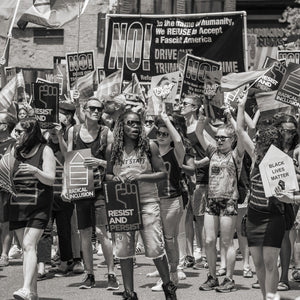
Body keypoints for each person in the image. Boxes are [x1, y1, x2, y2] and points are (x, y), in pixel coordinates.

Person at [106, 109, 177, 300]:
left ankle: (168, 287)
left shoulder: (150, 146)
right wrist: (116, 178)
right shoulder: (113, 149)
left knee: (154, 247)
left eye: (138, 123)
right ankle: (129, 293)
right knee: (123, 250)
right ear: (122, 125)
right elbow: (107, 175)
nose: (135, 127)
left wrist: (140, 176)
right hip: (122, 203)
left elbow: (162, 173)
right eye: (130, 123)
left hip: (147, 201)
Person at [62, 97, 118, 290]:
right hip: (80, 188)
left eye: (99, 109)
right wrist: (65, 187)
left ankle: (111, 274)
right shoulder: (73, 131)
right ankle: (90, 275)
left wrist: (100, 162)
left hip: (100, 188)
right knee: (84, 232)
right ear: (83, 110)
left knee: (103, 232)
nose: (96, 111)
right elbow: (68, 161)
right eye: (92, 108)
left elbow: (115, 162)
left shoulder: (106, 133)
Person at [237, 94, 286, 299]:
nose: (254, 141)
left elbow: (288, 193)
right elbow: (239, 130)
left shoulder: (282, 161)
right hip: (254, 217)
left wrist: (289, 196)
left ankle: (271, 297)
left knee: (269, 263)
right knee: (258, 263)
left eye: (258, 139)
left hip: (273, 216)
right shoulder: (256, 156)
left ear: (268, 143)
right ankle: (266, 296)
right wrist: (240, 107)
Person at [5, 118, 56, 300]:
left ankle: (26, 288)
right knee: (27, 250)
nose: (16, 135)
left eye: (20, 132)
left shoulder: (45, 150)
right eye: (15, 131)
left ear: (30, 133)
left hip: (39, 205)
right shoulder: (15, 150)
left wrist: (35, 171)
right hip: (18, 204)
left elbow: (50, 179)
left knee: (28, 245)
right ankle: (32, 293)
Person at [196, 108, 244, 293]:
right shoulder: (212, 152)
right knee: (209, 240)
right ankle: (212, 277)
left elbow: (240, 132)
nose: (219, 140)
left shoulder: (235, 154)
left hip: (229, 201)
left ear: (232, 140)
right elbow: (199, 132)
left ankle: (229, 279)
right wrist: (202, 115)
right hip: (212, 201)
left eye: (224, 137)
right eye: (218, 137)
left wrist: (231, 118)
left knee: (226, 242)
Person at [150, 112, 185, 291]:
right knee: (160, 239)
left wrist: (166, 120)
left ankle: (171, 276)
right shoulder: (151, 150)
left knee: (168, 239)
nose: (161, 136)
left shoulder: (175, 152)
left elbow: (179, 141)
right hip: (153, 200)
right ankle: (169, 273)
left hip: (171, 201)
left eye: (165, 134)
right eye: (159, 133)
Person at [180, 95, 212, 269]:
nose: (181, 105)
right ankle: (189, 255)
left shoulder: (200, 127)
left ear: (194, 107)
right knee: (187, 217)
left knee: (200, 218)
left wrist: (196, 164)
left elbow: (213, 151)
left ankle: (204, 254)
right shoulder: (182, 127)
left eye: (184, 104)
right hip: (186, 179)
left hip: (201, 178)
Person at [0, 112, 17, 268]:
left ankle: (4, 254)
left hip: (5, 188)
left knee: (5, 222)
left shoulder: (14, 144)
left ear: (5, 126)